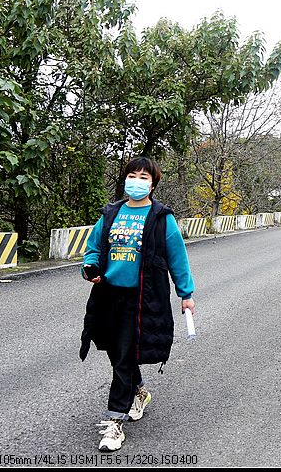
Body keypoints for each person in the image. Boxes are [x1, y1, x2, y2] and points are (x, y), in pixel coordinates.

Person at [79, 157, 196, 452]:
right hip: (108, 295)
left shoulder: (161, 218)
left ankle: (114, 422)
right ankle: (139, 391)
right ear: (125, 179)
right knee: (115, 350)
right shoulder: (111, 213)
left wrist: (186, 294)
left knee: (123, 356)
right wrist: (90, 268)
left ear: (153, 184)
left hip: (142, 296)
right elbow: (93, 249)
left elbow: (177, 258)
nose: (137, 181)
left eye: (144, 177)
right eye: (133, 175)